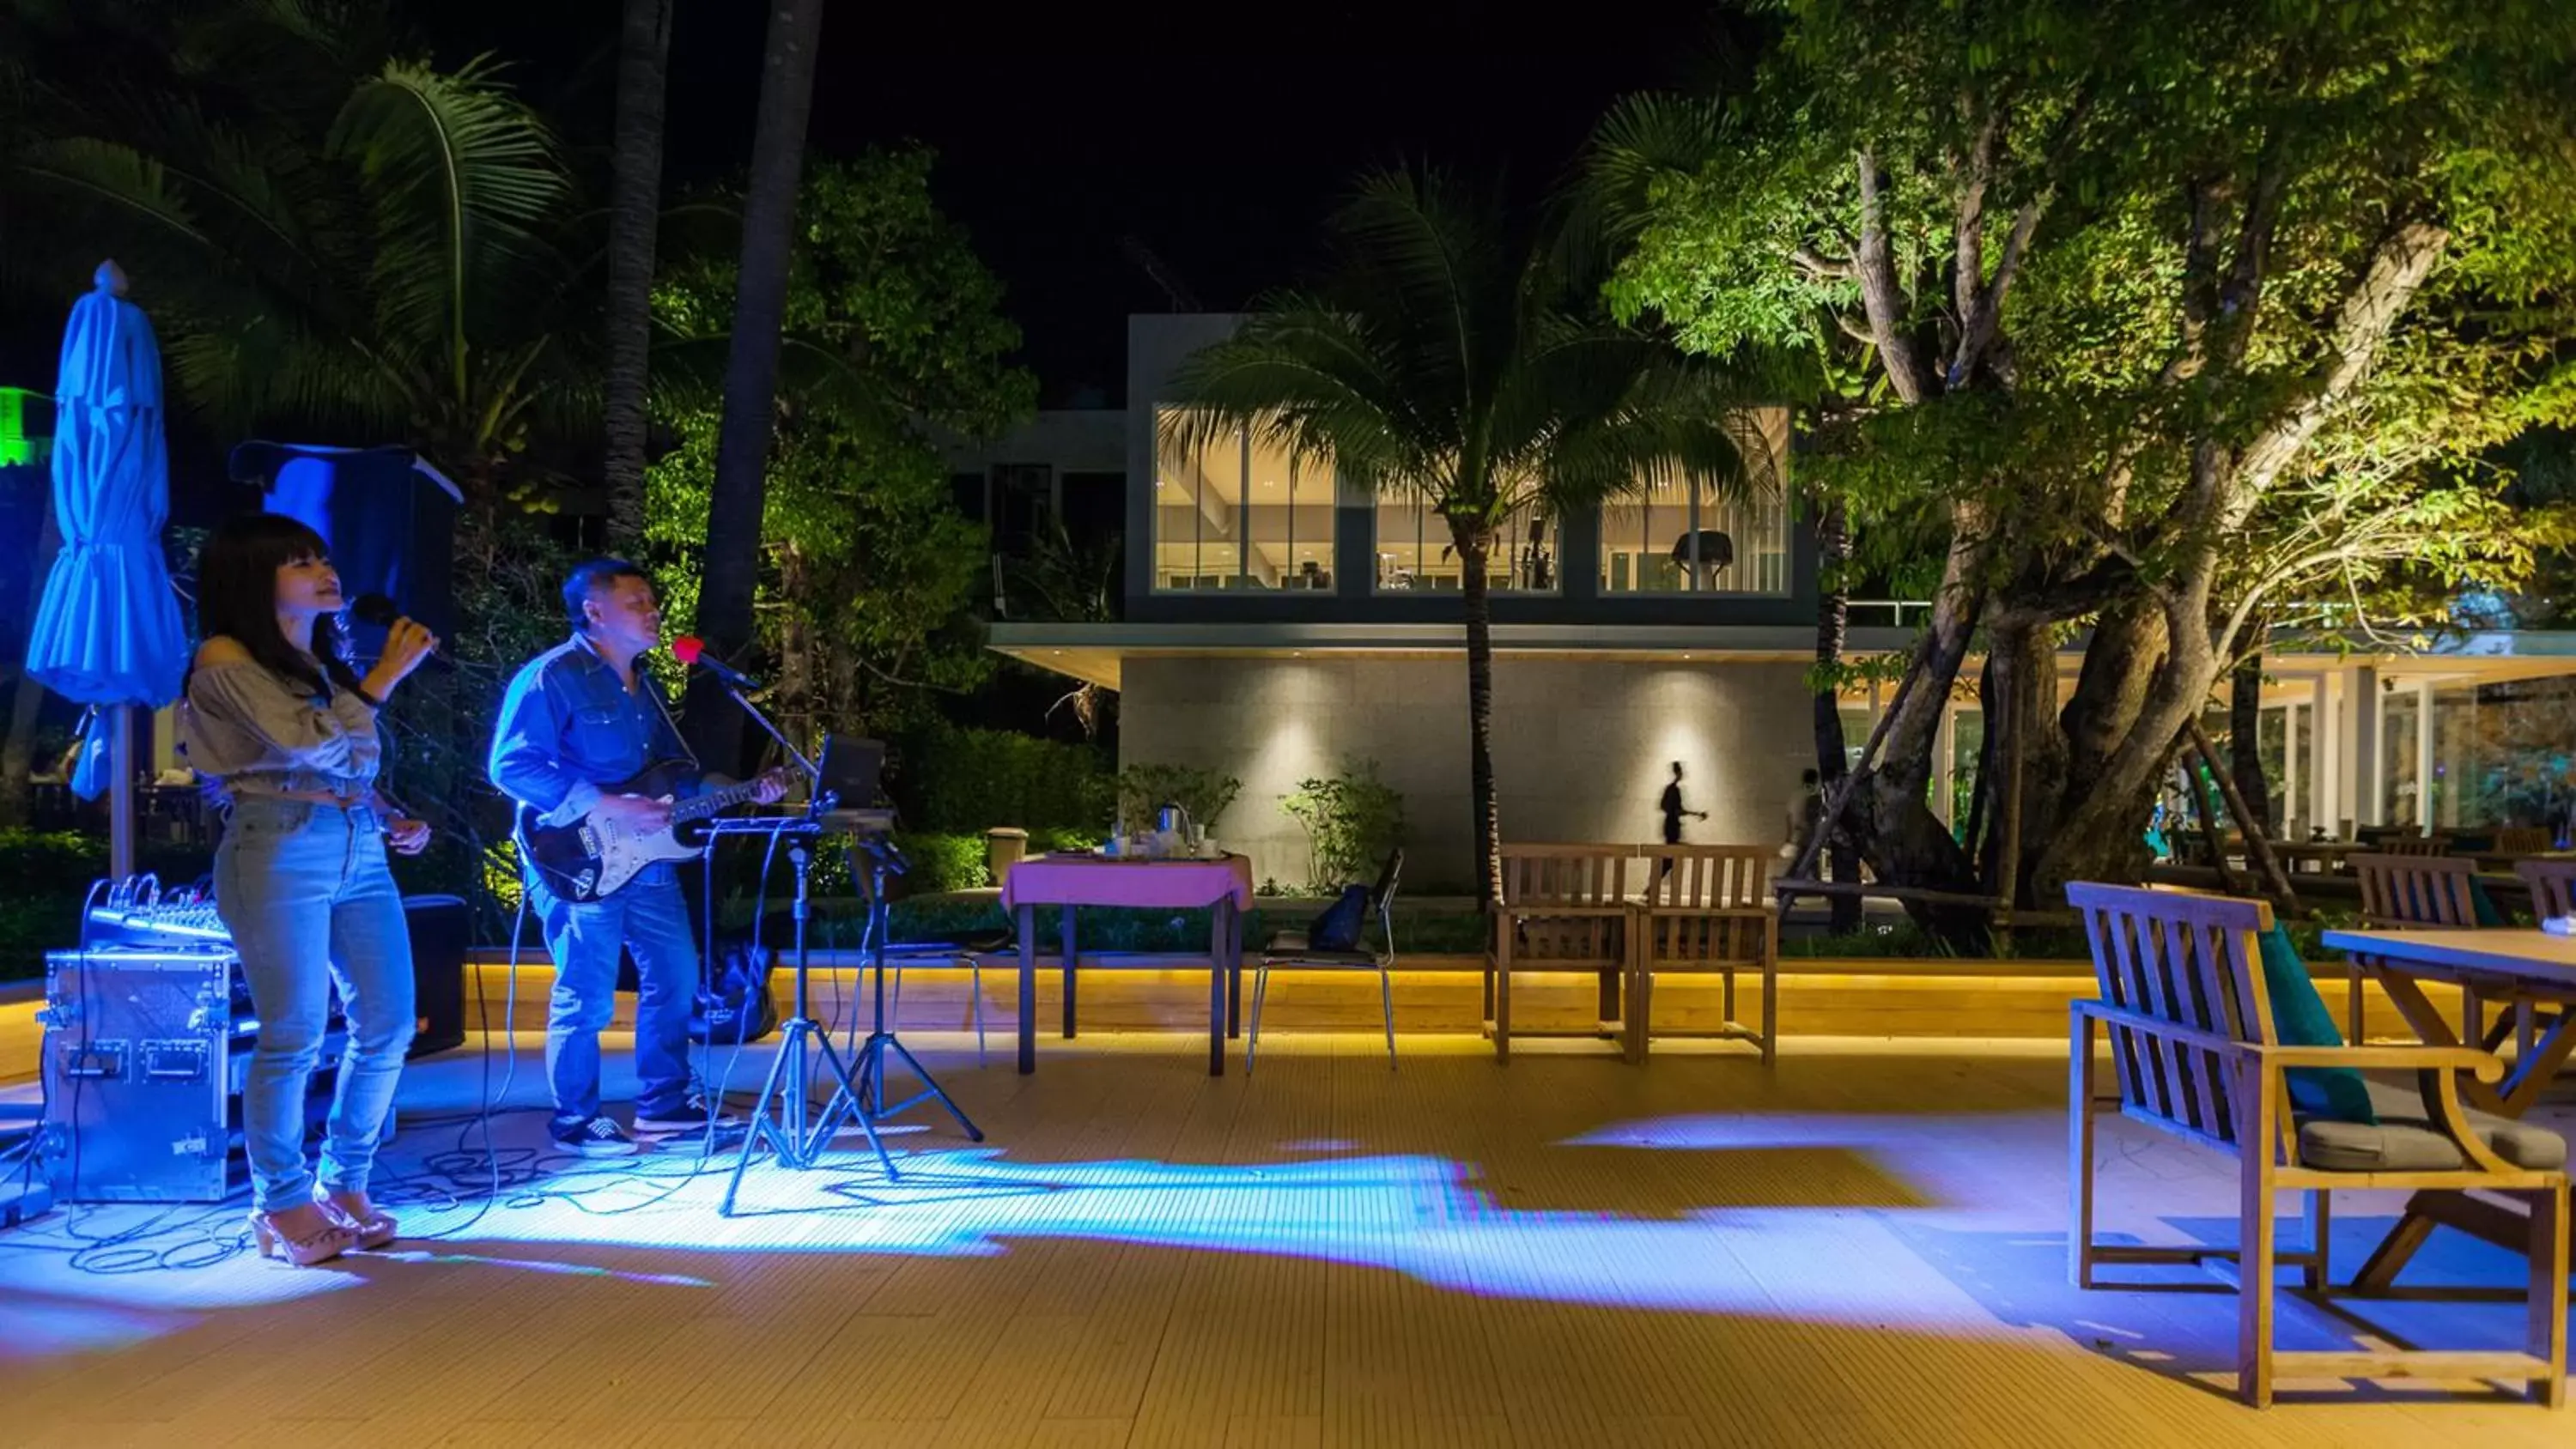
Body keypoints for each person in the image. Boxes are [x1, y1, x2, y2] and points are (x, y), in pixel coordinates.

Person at [178, 513, 438, 1266]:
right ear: (254, 578)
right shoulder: (225, 656)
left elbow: (349, 762)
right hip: (277, 844)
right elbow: (313, 743)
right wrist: (384, 678)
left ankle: (345, 1182)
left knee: (387, 1023)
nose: (326, 572)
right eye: (301, 563)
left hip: (355, 844)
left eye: (323, 557)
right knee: (292, 1032)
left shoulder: (311, 660)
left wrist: (390, 814)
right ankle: (281, 1201)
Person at [488, 559, 785, 1156]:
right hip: (576, 860)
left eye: (653, 602)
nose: (654, 612)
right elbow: (510, 766)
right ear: (595, 612)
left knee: (677, 978)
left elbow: (671, 780)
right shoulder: (552, 677)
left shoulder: (643, 684)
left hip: (645, 862)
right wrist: (606, 804)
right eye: (639, 602)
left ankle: (665, 1104)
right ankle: (575, 1118)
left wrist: (750, 789)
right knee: (587, 992)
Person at [1656, 761, 1709, 880]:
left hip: (1671, 827)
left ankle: (1652, 888)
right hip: (1672, 827)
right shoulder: (1673, 790)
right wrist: (1695, 814)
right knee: (1670, 859)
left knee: (1670, 859)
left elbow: (1669, 808)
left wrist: (1694, 814)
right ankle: (1652, 888)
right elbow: (1674, 809)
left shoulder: (1672, 790)